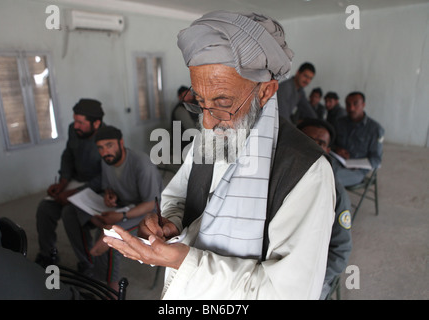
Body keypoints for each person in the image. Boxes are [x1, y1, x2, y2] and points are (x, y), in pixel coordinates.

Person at [103, 11, 335, 299]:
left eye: (222, 102)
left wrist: (184, 261)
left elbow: (289, 293)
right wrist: (170, 222)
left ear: (266, 91)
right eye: (200, 103)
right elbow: (179, 195)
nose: (208, 122)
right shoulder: (212, 132)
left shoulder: (307, 172)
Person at [62, 125, 163, 290]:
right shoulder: (107, 161)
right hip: (122, 208)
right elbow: (109, 188)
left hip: (147, 213)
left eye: (109, 145)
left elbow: (150, 204)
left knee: (108, 236)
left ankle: (111, 289)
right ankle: (88, 263)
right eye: (100, 148)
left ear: (121, 143)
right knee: (70, 212)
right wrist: (110, 196)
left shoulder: (142, 163)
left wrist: (122, 217)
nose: (105, 152)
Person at [35, 99, 105, 267]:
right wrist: (63, 182)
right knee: (44, 209)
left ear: (96, 123)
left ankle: (87, 262)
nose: (76, 126)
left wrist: (74, 194)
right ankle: (48, 254)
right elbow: (67, 155)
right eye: (75, 120)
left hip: (98, 190)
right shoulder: (74, 131)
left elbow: (105, 177)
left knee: (71, 214)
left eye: (81, 122)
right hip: (74, 183)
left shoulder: (108, 139)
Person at [297, 118, 352, 300]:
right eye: (306, 138)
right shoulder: (273, 178)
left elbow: (340, 249)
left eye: (320, 143)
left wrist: (314, 278)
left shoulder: (335, 192)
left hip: (310, 276)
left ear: (328, 150)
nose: (313, 146)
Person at [333, 92, 385, 187]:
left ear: (363, 105)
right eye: (348, 105)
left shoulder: (375, 129)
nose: (351, 108)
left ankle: (338, 201)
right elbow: (331, 144)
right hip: (338, 162)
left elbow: (376, 160)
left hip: (357, 170)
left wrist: (358, 164)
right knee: (317, 171)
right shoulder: (340, 123)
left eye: (355, 104)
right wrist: (336, 149)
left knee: (331, 180)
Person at [171, 86, 199, 152]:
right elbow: (191, 129)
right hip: (184, 146)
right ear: (180, 97)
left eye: (190, 94)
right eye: (186, 95)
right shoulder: (180, 110)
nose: (189, 96)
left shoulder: (194, 107)